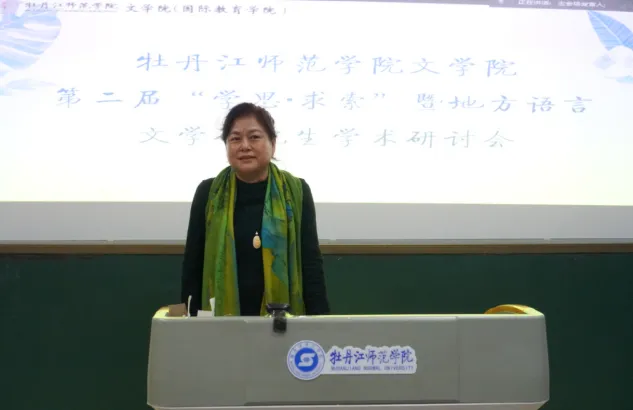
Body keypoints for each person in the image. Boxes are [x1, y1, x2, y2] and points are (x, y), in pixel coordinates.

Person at [180, 102, 330, 317]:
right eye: (235, 139)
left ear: (273, 144)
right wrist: (188, 321)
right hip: (220, 320)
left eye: (254, 137)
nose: (244, 146)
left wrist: (320, 322)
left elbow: (311, 264)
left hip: (283, 320)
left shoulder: (296, 191)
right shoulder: (209, 193)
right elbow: (193, 264)